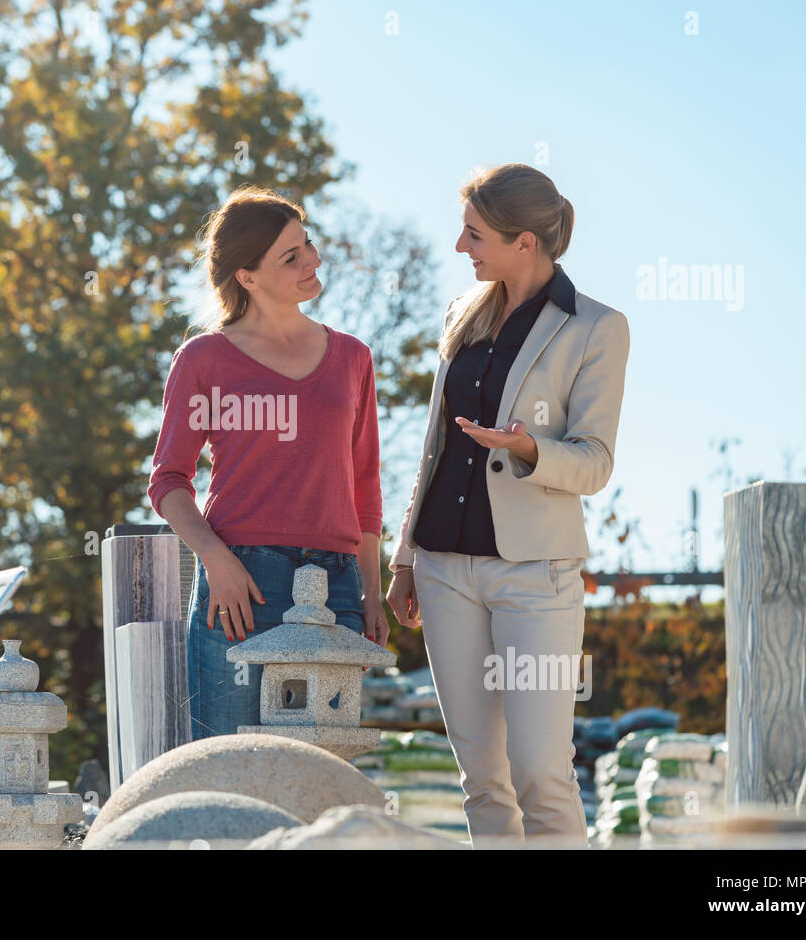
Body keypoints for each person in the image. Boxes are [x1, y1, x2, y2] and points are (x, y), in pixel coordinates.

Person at [385, 164, 630, 848]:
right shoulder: (463, 316)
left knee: (540, 773)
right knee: (482, 779)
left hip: (535, 576)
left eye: (475, 234)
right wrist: (405, 561)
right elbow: (433, 446)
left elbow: (596, 461)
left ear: (525, 241)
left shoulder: (597, 328)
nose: (462, 247)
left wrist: (529, 449)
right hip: (442, 569)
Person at [147, 184, 388, 741]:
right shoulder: (204, 358)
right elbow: (169, 480)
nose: (313, 260)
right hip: (240, 586)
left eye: (308, 244)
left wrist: (371, 592)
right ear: (247, 277)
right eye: (291, 256)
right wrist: (216, 560)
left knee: (322, 773)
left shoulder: (354, 357)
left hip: (337, 585)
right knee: (231, 766)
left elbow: (364, 484)